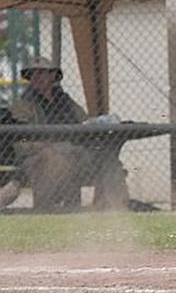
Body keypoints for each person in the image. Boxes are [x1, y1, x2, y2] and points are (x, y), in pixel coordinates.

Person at [0, 57, 129, 211]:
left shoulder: (67, 102)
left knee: (108, 159)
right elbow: (22, 143)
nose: (37, 77)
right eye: (33, 74)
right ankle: (46, 212)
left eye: (42, 73)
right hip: (40, 159)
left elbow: (86, 124)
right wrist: (52, 147)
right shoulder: (23, 105)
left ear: (53, 76)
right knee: (55, 158)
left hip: (77, 154)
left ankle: (114, 210)